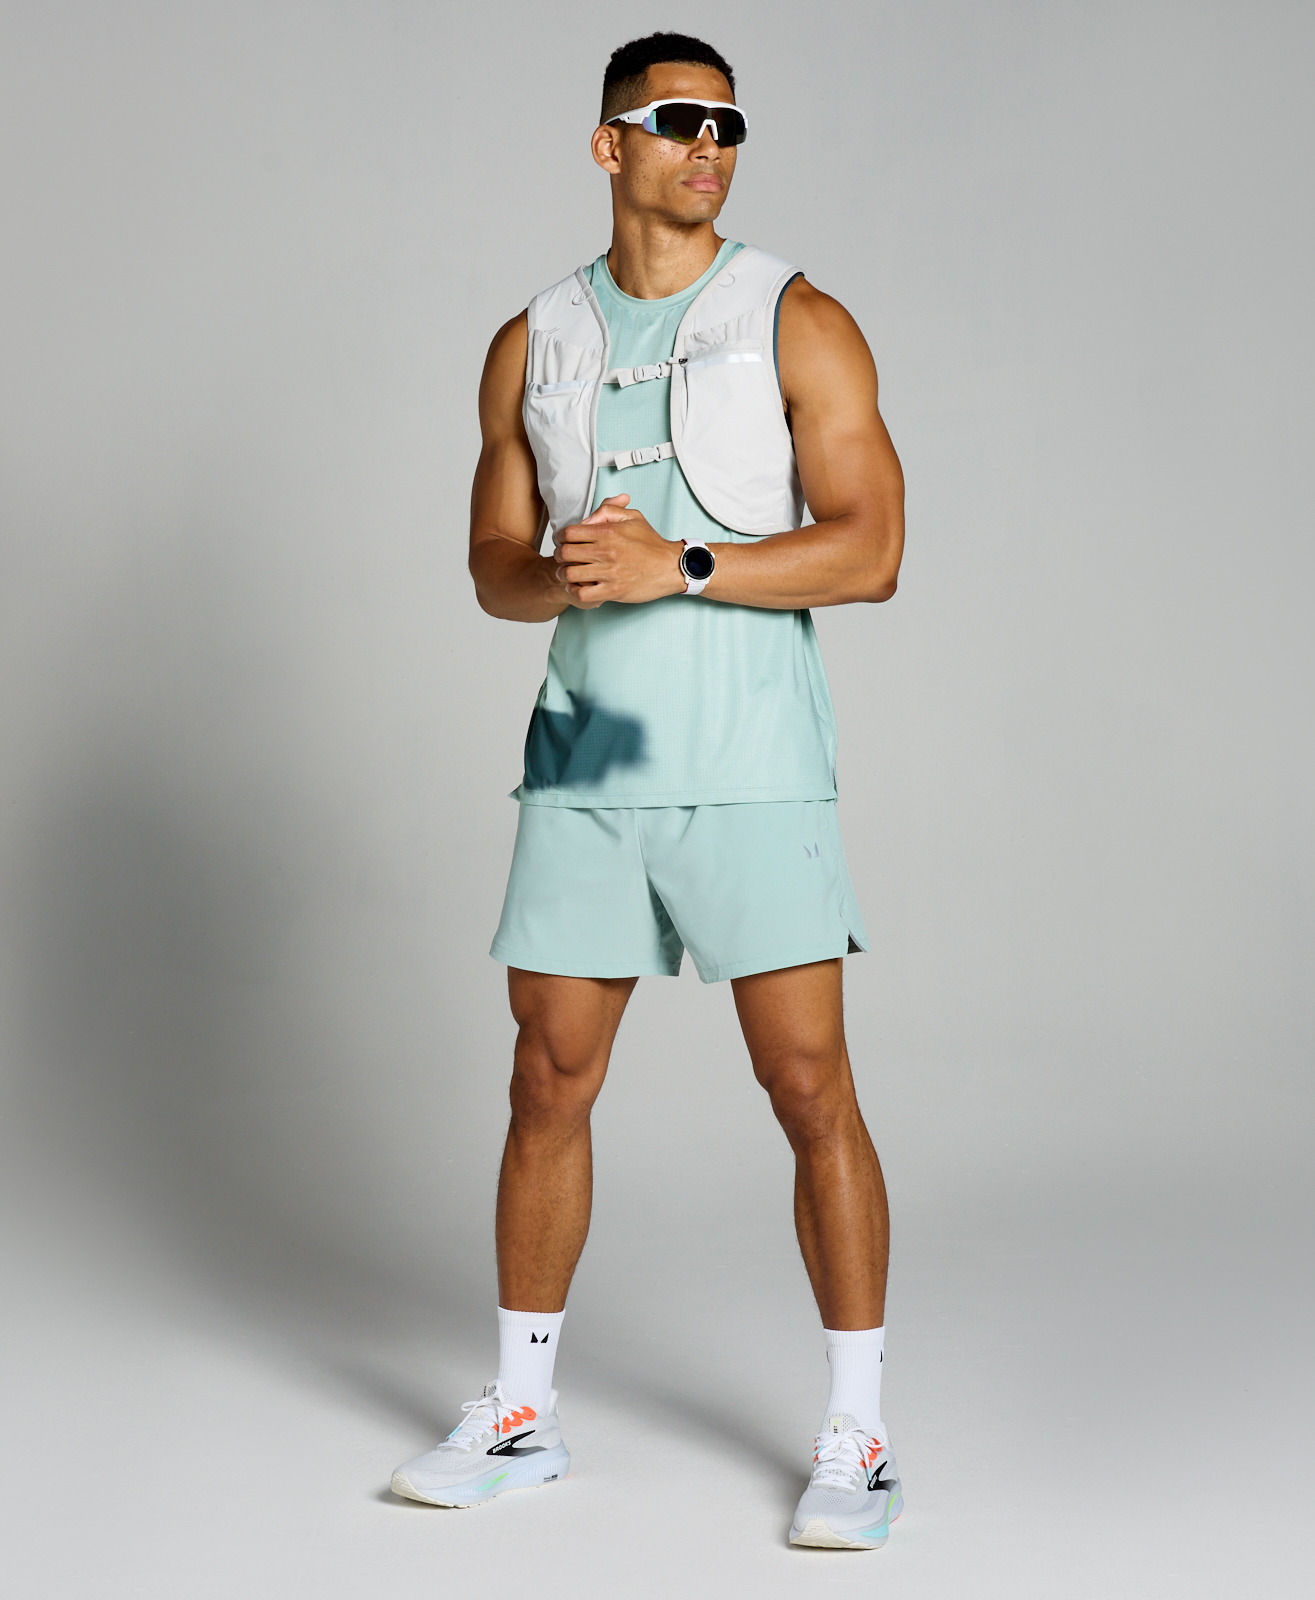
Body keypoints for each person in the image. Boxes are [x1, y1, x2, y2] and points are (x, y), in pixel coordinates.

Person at [391, 31, 906, 1550]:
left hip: (751, 757)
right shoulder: (531, 340)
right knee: (546, 1078)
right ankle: (523, 1413)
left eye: (729, 126)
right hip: (590, 754)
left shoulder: (798, 318)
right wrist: (561, 573)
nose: (710, 146)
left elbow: (873, 549)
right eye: (680, 121)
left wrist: (681, 562)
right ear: (609, 144)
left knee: (808, 1086)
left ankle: (862, 1438)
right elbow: (491, 569)